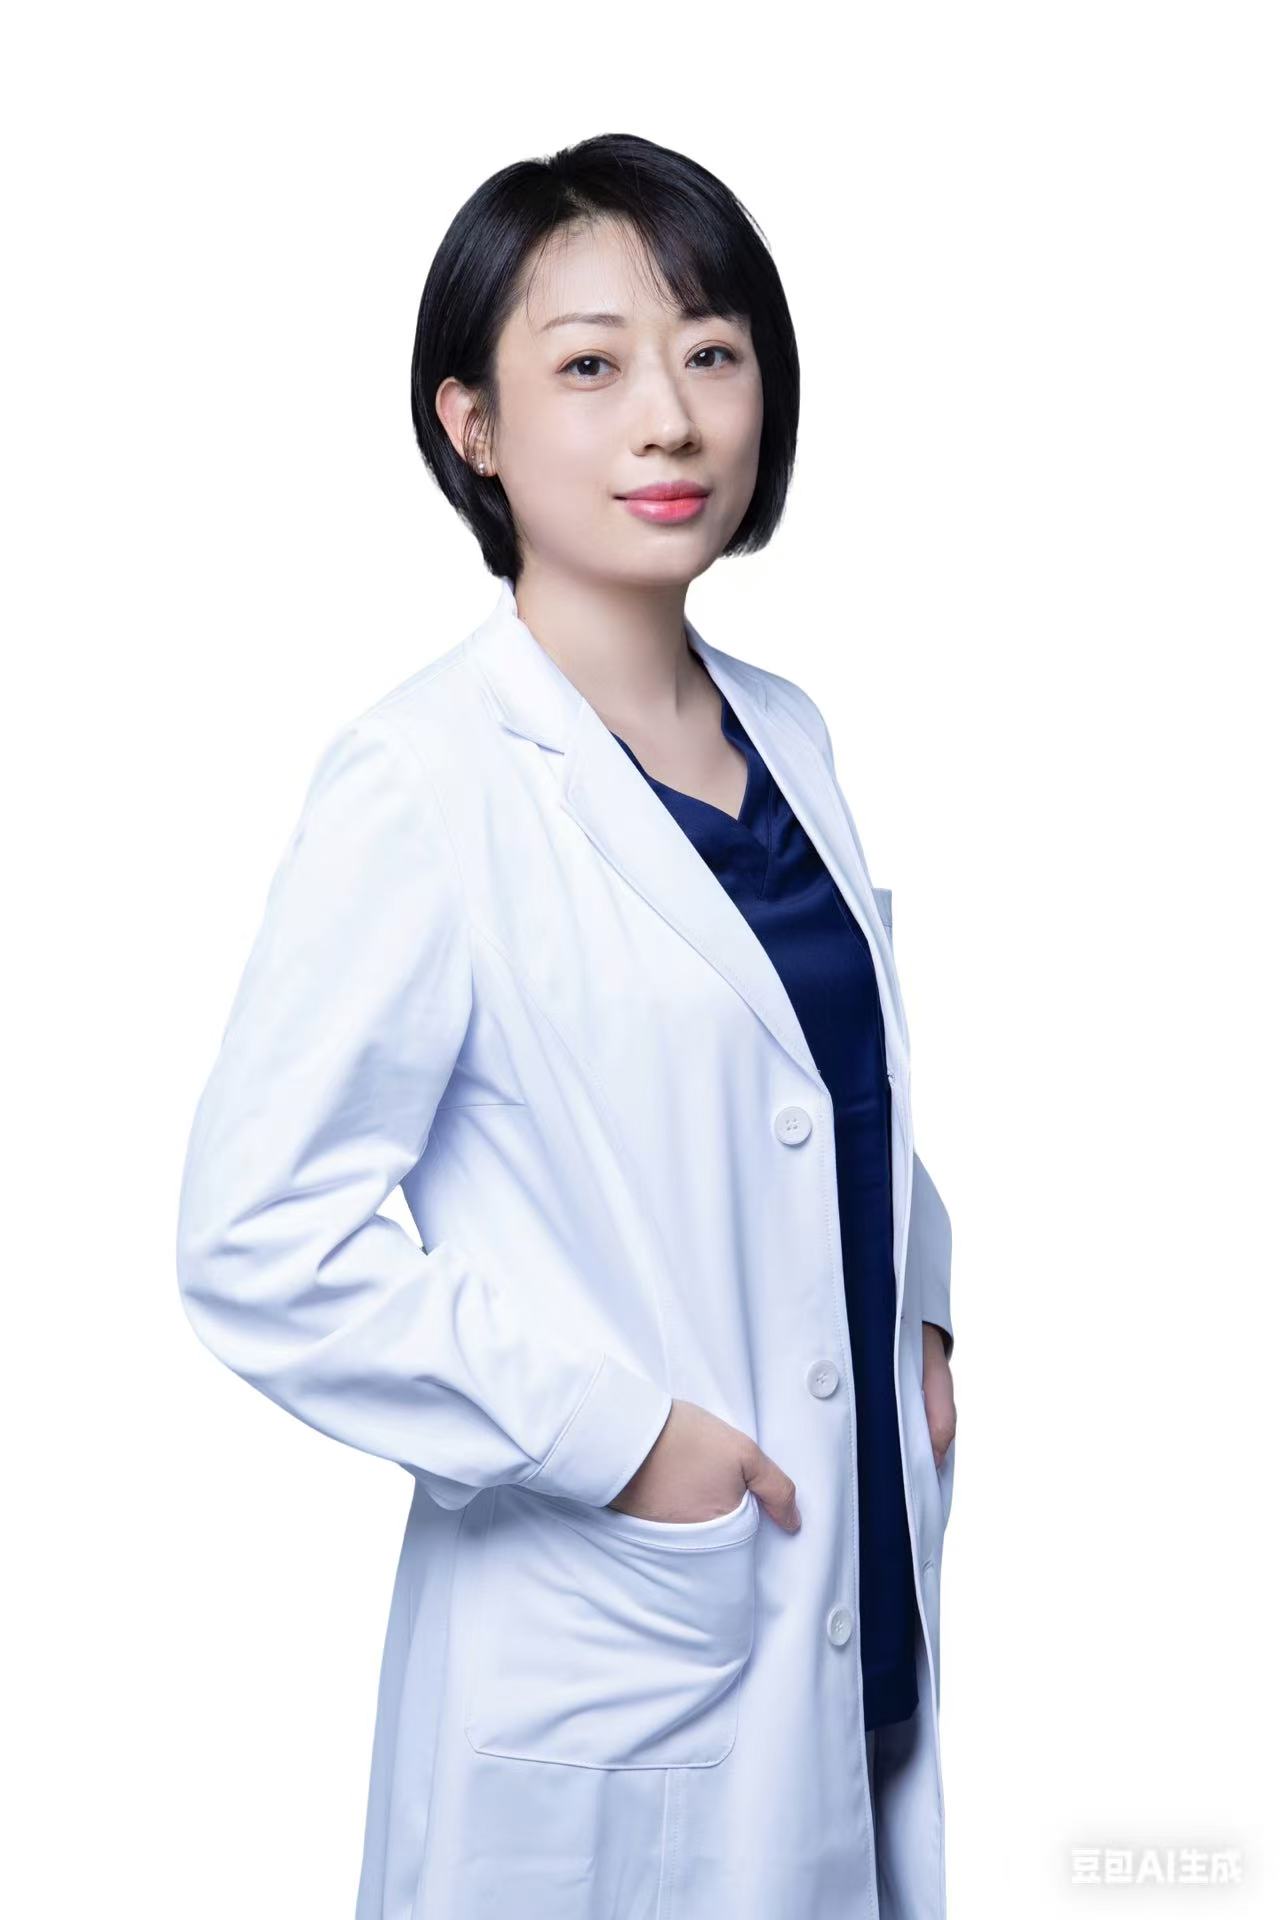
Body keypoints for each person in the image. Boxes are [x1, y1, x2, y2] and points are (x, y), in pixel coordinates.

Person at [176, 131, 958, 1920]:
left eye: (712, 352)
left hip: (851, 1596)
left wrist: (917, 1310)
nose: (669, 421)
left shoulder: (790, 734)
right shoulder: (425, 781)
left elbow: (812, 1084)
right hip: (622, 1636)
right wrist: (619, 1442)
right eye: (591, 367)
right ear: (471, 423)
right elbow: (256, 1237)